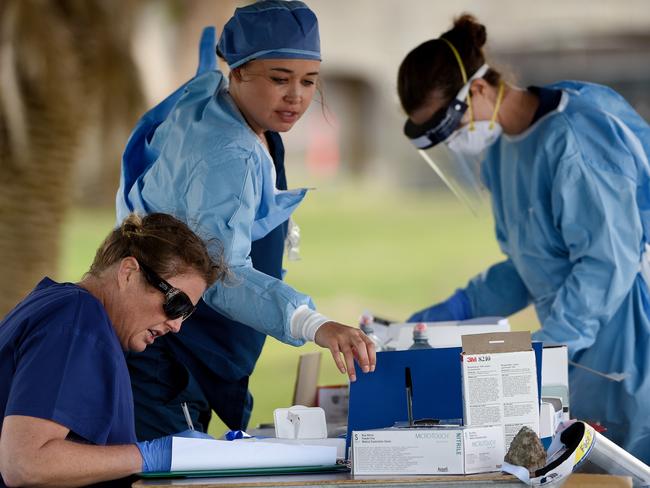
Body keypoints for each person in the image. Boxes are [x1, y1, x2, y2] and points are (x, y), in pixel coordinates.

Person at [116, 0, 376, 440]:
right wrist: (315, 324)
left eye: (309, 81)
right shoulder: (228, 155)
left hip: (177, 349)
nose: (296, 95)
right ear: (237, 72)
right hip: (166, 349)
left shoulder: (230, 108)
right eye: (279, 79)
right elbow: (222, 272)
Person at [397, 14, 650, 462]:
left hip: (630, 337)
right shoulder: (502, 152)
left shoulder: (575, 136)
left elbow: (607, 263)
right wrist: (460, 310)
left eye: (450, 127)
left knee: (630, 463)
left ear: (478, 89)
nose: (454, 142)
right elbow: (533, 262)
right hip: (581, 343)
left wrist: (546, 348)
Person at [0, 213, 223, 486]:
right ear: (128, 273)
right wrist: (148, 456)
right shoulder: (76, 319)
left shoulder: (63, 309)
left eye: (186, 314)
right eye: (176, 304)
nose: (177, 325)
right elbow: (24, 464)